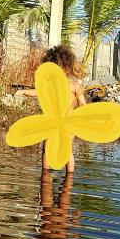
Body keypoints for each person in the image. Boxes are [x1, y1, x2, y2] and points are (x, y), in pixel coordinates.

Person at [17, 44, 87, 173]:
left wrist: (24, 92)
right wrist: (24, 92)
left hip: (59, 123)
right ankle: (67, 180)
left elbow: (83, 107)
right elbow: (83, 107)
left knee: (53, 150)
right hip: (64, 123)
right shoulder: (73, 85)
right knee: (65, 150)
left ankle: (47, 178)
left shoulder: (70, 85)